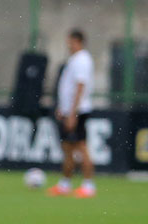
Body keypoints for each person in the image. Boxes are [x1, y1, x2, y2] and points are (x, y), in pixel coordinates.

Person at [48, 28, 96, 198]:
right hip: (69, 110)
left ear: (78, 41)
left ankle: (89, 185)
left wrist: (72, 113)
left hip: (78, 111)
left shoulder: (82, 60)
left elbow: (80, 86)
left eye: (70, 41)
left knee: (81, 147)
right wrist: (63, 108)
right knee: (67, 147)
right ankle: (65, 184)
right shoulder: (75, 59)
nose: (68, 45)